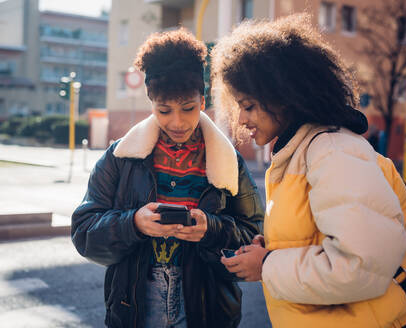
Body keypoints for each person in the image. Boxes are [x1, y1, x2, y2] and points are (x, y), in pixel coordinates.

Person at [212, 14, 406, 328]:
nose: (240, 119)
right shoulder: (298, 154)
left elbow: (360, 267)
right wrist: (271, 250)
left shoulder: (333, 152)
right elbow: (317, 238)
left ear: (284, 97)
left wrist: (266, 265)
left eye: (249, 105)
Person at [71, 28, 264, 328]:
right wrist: (132, 223)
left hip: (207, 309)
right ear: (151, 103)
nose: (177, 122)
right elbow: (83, 232)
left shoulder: (228, 161)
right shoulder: (120, 157)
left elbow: (255, 235)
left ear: (202, 101)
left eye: (187, 108)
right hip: (133, 309)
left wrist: (209, 229)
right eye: (164, 110)